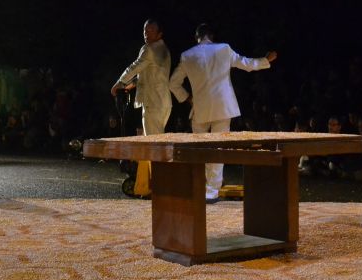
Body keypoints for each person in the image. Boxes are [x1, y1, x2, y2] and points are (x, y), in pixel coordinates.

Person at [169, 23, 277, 202]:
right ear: (211, 36)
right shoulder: (224, 49)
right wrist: (266, 60)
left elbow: (173, 83)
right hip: (222, 106)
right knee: (218, 148)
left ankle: (203, 185)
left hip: (200, 108)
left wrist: (187, 98)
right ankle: (212, 190)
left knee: (200, 149)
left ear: (197, 37)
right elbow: (247, 64)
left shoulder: (187, 55)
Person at [110, 18, 172, 136]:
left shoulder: (149, 49)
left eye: (151, 31)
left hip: (152, 103)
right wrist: (126, 86)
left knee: (154, 142)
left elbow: (134, 67)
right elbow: (145, 76)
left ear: (159, 34)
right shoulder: (165, 50)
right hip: (164, 102)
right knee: (157, 138)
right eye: (145, 30)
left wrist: (120, 82)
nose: (146, 34)